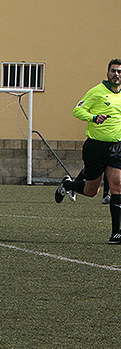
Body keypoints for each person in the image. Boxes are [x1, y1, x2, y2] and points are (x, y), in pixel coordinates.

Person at [55, 58, 121, 244]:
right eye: (113, 71)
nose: (116, 74)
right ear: (107, 73)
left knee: (118, 186)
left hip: (116, 147)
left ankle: (116, 233)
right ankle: (68, 185)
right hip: (95, 147)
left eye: (119, 72)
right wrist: (93, 117)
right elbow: (77, 111)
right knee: (92, 191)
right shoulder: (96, 92)